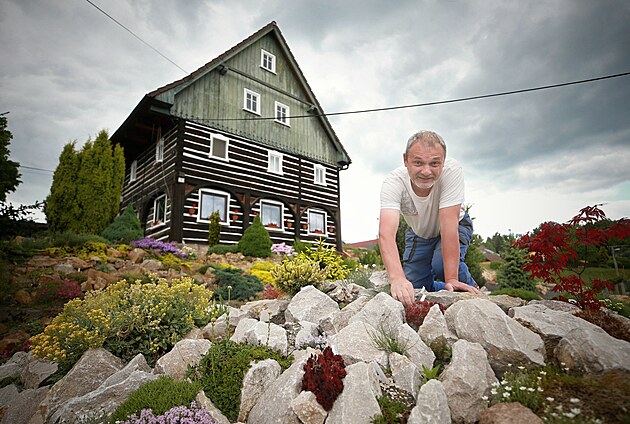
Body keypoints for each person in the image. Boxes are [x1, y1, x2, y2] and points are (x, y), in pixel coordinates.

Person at [379, 130, 481, 306]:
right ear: (405, 160)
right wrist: (397, 278)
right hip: (419, 232)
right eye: (418, 162)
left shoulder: (452, 171)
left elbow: (448, 226)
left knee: (441, 265)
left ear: (443, 161)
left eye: (434, 163)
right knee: (414, 288)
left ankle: (471, 290)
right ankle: (441, 290)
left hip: (454, 225)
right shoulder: (393, 183)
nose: (426, 171)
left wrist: (451, 277)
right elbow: (386, 234)